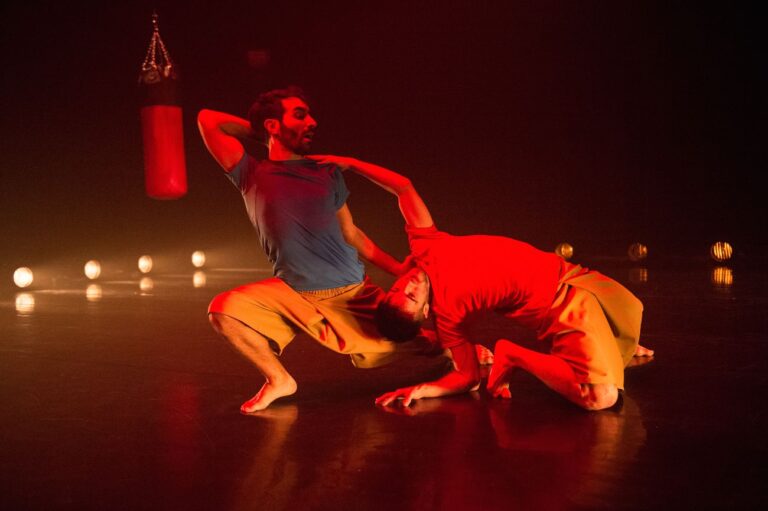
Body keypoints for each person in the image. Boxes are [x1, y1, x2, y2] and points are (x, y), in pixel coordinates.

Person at [308, 155, 653, 411]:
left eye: (397, 289)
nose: (407, 286)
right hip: (561, 309)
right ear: (426, 309)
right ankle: (512, 354)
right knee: (599, 399)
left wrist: (349, 164)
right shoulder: (447, 316)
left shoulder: (426, 247)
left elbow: (402, 188)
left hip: (571, 274)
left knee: (632, 310)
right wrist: (423, 389)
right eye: (411, 298)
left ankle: (610, 344)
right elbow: (467, 377)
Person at [197, 87, 437, 413]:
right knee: (224, 310)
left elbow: (351, 233)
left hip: (351, 293)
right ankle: (279, 379)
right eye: (300, 115)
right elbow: (207, 120)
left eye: (309, 115)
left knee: (401, 342)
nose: (312, 121)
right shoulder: (250, 173)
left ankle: (461, 354)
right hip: (293, 292)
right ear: (272, 124)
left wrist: (399, 270)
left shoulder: (326, 172)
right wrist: (267, 136)